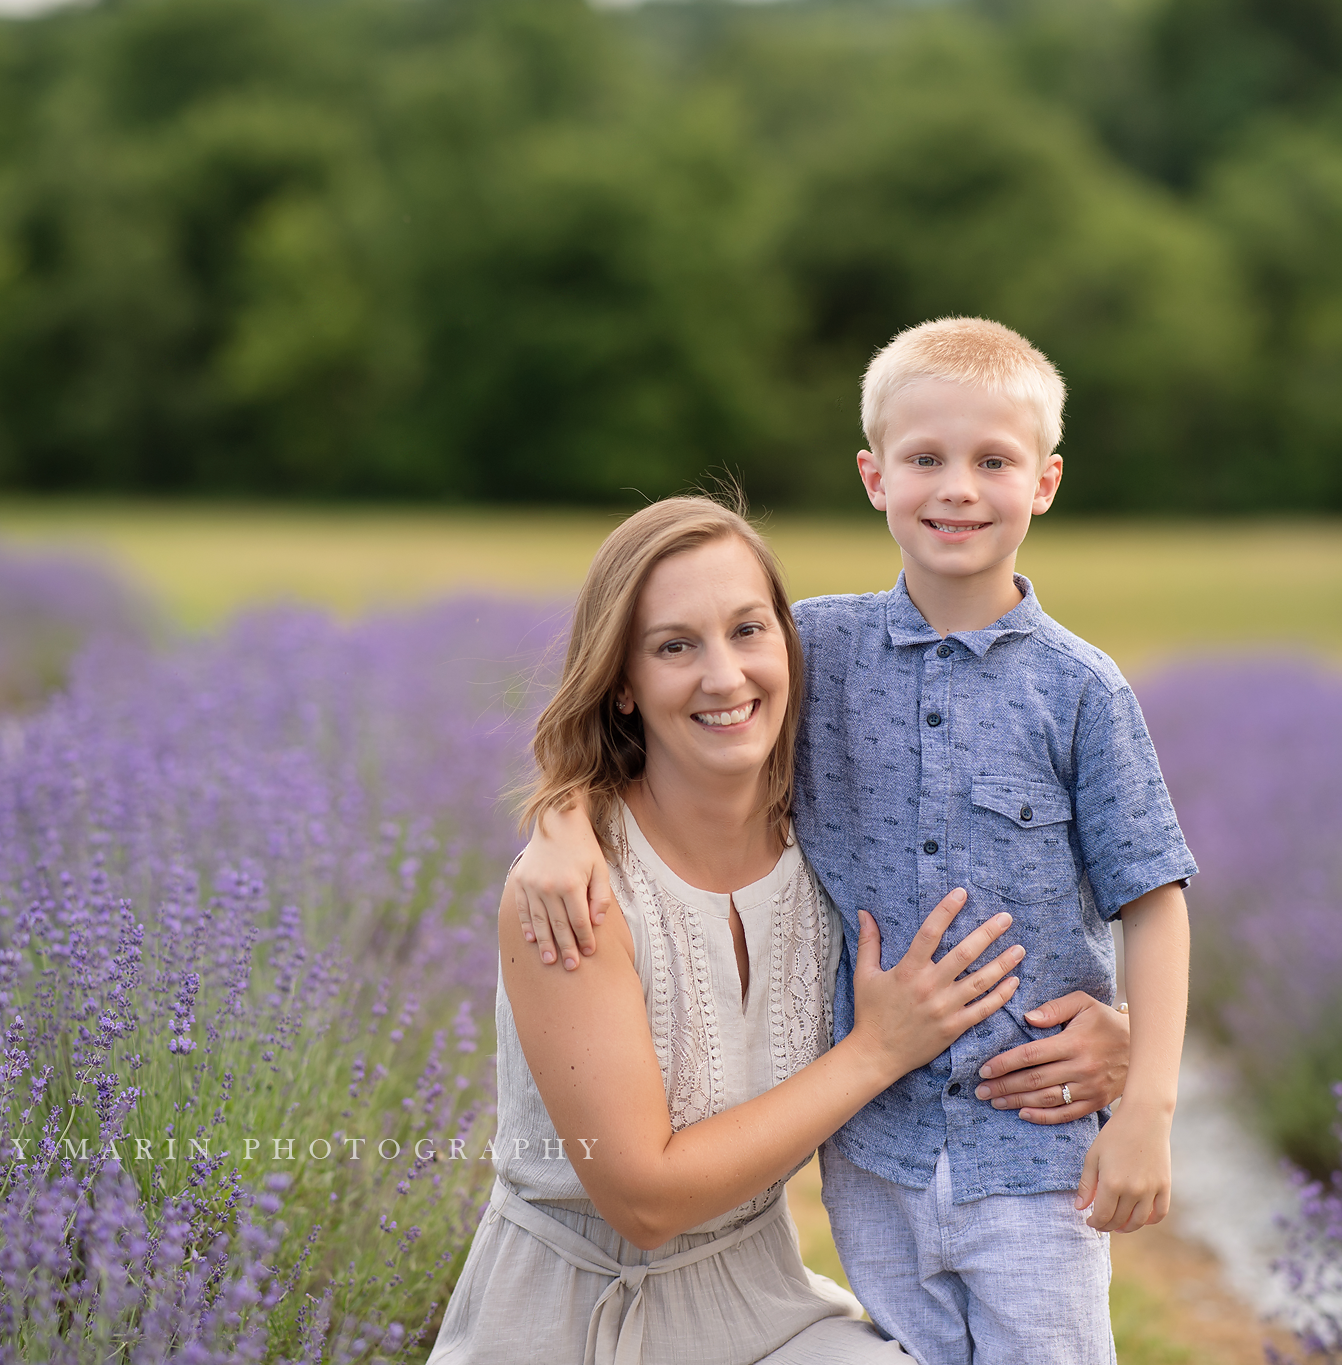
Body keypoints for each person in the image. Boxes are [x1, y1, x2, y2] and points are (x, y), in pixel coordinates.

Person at [506, 317, 1198, 1364]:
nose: (955, 488)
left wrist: (1142, 1083)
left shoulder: (1078, 690)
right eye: (924, 459)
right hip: (875, 1161)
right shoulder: (814, 648)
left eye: (991, 461)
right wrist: (557, 824)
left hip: (1030, 1148)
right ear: (874, 477)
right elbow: (636, 733)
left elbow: (1152, 892)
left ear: (1045, 482)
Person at [430, 496, 1038, 1365]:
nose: (724, 676)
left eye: (748, 630)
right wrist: (876, 1050)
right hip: (567, 1324)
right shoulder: (572, 894)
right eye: (676, 645)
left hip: (764, 1308)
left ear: (788, 648)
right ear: (624, 685)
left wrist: (1110, 1033)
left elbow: (1016, 934)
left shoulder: (840, 839)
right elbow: (645, 1198)